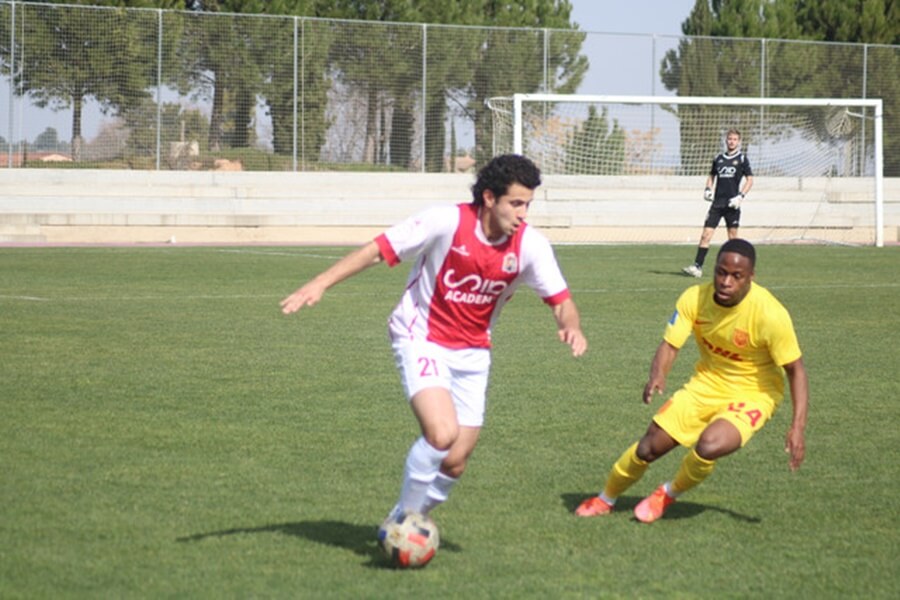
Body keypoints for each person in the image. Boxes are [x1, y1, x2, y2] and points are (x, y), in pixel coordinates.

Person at [281, 154, 588, 526]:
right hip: (420, 336)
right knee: (441, 433)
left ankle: (408, 521)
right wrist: (319, 283)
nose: (523, 213)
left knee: (456, 460)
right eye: (516, 203)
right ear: (489, 198)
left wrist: (571, 325)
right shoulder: (445, 222)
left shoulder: (531, 246)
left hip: (474, 352)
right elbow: (379, 249)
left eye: (528, 204)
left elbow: (562, 302)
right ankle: (404, 521)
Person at [577, 239, 807, 523]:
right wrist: (658, 374)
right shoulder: (694, 298)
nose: (726, 282)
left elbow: (796, 370)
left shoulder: (771, 314)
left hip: (755, 394)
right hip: (705, 385)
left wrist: (797, 426)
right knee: (648, 447)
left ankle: (668, 493)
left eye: (736, 276)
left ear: (751, 277)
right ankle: (605, 499)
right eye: (721, 272)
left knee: (709, 445)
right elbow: (670, 345)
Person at [683, 129, 753, 278]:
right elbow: (711, 175)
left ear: (738, 142)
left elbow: (750, 180)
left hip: (732, 205)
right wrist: (708, 189)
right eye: (729, 139)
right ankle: (697, 267)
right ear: (726, 140)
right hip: (717, 204)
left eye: (734, 139)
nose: (732, 141)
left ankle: (737, 270)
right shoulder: (718, 158)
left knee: (732, 239)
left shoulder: (741, 159)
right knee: (705, 235)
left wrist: (740, 196)